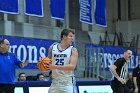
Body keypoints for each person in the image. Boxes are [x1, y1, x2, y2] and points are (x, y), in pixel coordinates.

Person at [46, 29, 78, 93]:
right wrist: (43, 66)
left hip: (68, 83)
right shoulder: (52, 48)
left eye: (73, 37)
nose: (72, 39)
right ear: (64, 36)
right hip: (55, 82)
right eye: (70, 36)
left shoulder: (73, 50)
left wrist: (55, 67)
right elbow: (47, 64)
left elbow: (72, 67)